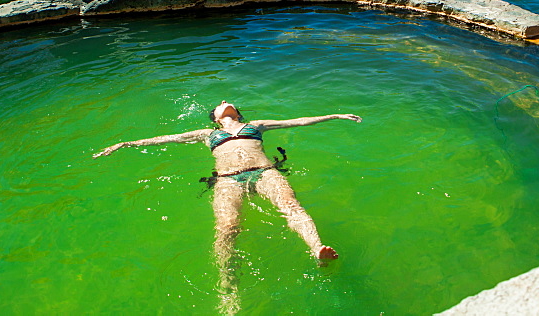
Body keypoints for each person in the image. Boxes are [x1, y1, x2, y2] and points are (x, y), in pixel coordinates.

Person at [93, 101, 361, 300]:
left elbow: (298, 120)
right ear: (216, 118)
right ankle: (228, 288)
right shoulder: (205, 134)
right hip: (228, 180)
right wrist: (125, 144)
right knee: (226, 229)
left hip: (265, 173)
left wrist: (335, 115)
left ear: (237, 113)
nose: (225, 102)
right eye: (220, 105)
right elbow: (166, 139)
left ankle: (316, 249)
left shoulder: (255, 126)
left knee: (292, 208)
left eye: (228, 102)